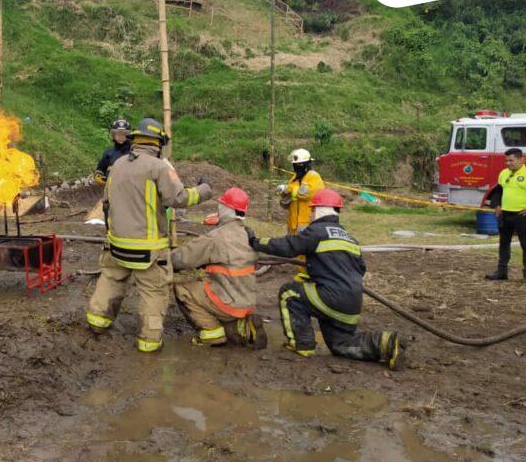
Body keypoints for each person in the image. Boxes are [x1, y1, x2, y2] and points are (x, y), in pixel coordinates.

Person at [86, 118, 213, 353]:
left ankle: (97, 322)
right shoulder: (159, 167)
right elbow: (179, 199)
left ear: (136, 140)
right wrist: (203, 191)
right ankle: (149, 341)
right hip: (148, 250)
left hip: (116, 245)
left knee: (111, 280)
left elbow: (106, 202)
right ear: (158, 143)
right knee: (153, 291)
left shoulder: (118, 166)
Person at [247, 188, 405, 370]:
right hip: (352, 303)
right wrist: (321, 274)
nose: (311, 214)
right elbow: (360, 269)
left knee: (289, 293)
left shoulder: (317, 231)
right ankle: (387, 344)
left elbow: (289, 246)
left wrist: (255, 241)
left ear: (318, 210)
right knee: (342, 345)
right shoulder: (350, 238)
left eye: (312, 210)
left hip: (332, 297)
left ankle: (301, 345)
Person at [172, 187, 267, 349]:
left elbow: (181, 259)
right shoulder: (249, 235)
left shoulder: (216, 238)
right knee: (214, 282)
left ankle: (212, 333)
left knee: (183, 288)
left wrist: (164, 257)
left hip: (226, 302)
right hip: (247, 302)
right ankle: (240, 325)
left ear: (224, 209)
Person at [485, 148, 526, 285]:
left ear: (520, 160)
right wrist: (497, 205)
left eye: (511, 160)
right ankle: (501, 272)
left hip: (521, 215)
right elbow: (498, 193)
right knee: (504, 243)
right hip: (505, 215)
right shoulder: (503, 173)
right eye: (506, 160)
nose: (508, 163)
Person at [277, 148, 325, 235]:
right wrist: (284, 193)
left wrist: (288, 189)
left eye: (299, 164)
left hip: (307, 223)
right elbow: (290, 196)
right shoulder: (296, 177)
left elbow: (306, 194)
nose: (296, 166)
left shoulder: (313, 176)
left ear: (306, 164)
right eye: (295, 164)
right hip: (293, 224)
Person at [93, 119, 132, 187]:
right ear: (113, 135)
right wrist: (98, 176)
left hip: (129, 190)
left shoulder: (134, 152)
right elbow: (100, 170)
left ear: (128, 136)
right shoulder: (108, 153)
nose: (121, 137)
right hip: (110, 190)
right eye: (118, 134)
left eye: (124, 134)